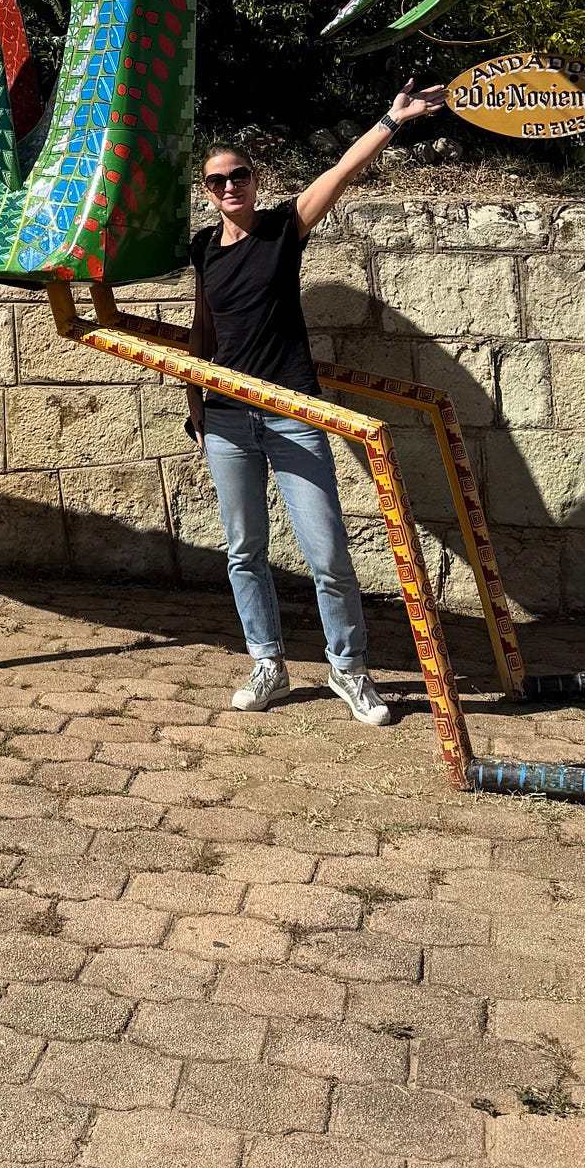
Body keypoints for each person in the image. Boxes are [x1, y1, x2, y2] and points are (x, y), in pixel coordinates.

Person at [187, 87, 446, 723]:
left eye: (239, 176)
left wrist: (391, 120)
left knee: (327, 554)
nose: (229, 187)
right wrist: (196, 403)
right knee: (243, 551)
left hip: (291, 413)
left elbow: (342, 170)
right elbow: (197, 321)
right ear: (207, 191)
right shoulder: (201, 248)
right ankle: (267, 663)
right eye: (217, 181)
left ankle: (348, 669)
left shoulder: (283, 228)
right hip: (226, 417)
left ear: (255, 180)